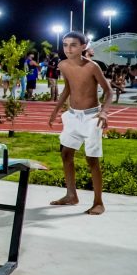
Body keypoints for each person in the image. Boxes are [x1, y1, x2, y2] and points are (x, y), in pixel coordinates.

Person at [48, 31, 112, 215]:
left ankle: (98, 202)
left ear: (83, 46)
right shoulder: (63, 65)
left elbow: (109, 92)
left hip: (92, 117)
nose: (68, 49)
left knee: (92, 159)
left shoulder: (92, 67)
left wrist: (104, 112)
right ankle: (71, 195)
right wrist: (54, 111)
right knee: (66, 154)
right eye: (65, 45)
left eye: (73, 45)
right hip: (73, 116)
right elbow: (67, 89)